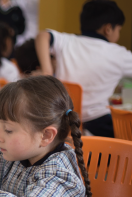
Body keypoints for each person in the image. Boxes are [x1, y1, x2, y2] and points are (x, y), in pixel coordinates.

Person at [35, 0, 132, 138]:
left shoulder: (67, 41)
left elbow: (43, 35)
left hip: (63, 122)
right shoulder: (119, 54)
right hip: (98, 126)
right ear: (108, 29)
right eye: (119, 30)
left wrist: (47, 71)